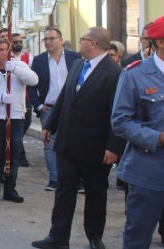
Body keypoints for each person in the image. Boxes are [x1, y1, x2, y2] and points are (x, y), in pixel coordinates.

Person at [32, 27, 123, 249]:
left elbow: (117, 113)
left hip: (95, 146)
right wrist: (51, 124)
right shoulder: (77, 65)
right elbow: (65, 96)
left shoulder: (114, 72)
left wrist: (113, 147)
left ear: (93, 44)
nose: (79, 42)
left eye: (83, 39)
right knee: (64, 191)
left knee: (95, 193)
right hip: (67, 142)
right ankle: (58, 237)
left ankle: (94, 237)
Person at [112, 16, 164, 249]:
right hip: (148, 172)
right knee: (137, 238)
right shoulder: (134, 74)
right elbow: (120, 121)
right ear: (160, 42)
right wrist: (157, 138)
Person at [0, 37, 38, 203]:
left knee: (14, 154)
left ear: (8, 51)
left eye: (1, 49)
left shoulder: (20, 66)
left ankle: (10, 188)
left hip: (16, 117)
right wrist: (0, 98)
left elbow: (34, 80)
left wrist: (16, 68)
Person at [27, 27, 81, 191]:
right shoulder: (39, 60)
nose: (48, 42)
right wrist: (38, 105)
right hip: (49, 109)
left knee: (75, 142)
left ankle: (77, 180)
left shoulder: (75, 58)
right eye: (46, 39)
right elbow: (31, 86)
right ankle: (55, 179)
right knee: (50, 143)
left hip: (71, 108)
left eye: (52, 38)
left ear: (61, 39)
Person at [10, 33, 33, 166]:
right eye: (15, 42)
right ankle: (20, 154)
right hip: (13, 97)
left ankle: (18, 149)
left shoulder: (28, 57)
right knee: (17, 126)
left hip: (26, 97)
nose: (18, 44)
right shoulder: (7, 56)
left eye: (20, 41)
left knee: (26, 123)